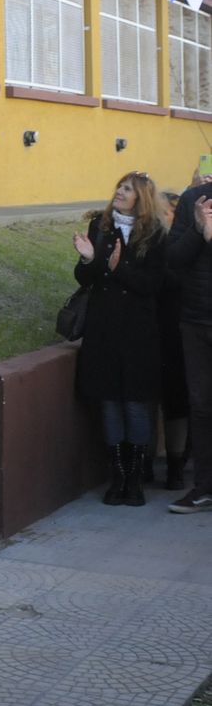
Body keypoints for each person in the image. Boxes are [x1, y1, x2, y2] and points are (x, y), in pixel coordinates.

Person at [71, 173, 166, 507]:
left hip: (138, 332)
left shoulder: (155, 232)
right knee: (110, 402)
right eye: (119, 188)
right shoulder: (102, 225)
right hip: (104, 328)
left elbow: (153, 284)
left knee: (135, 405)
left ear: (142, 197)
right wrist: (88, 258)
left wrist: (118, 267)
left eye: (127, 189)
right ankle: (118, 477)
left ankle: (136, 480)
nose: (120, 193)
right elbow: (85, 278)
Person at [164, 167, 212, 513]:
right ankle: (204, 488)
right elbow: (173, 260)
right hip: (196, 321)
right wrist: (198, 229)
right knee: (202, 405)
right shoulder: (194, 200)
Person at [154, 190, 190, 489]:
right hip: (147, 327)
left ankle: (177, 463)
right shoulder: (149, 241)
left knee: (178, 399)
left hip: (176, 327)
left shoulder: (180, 243)